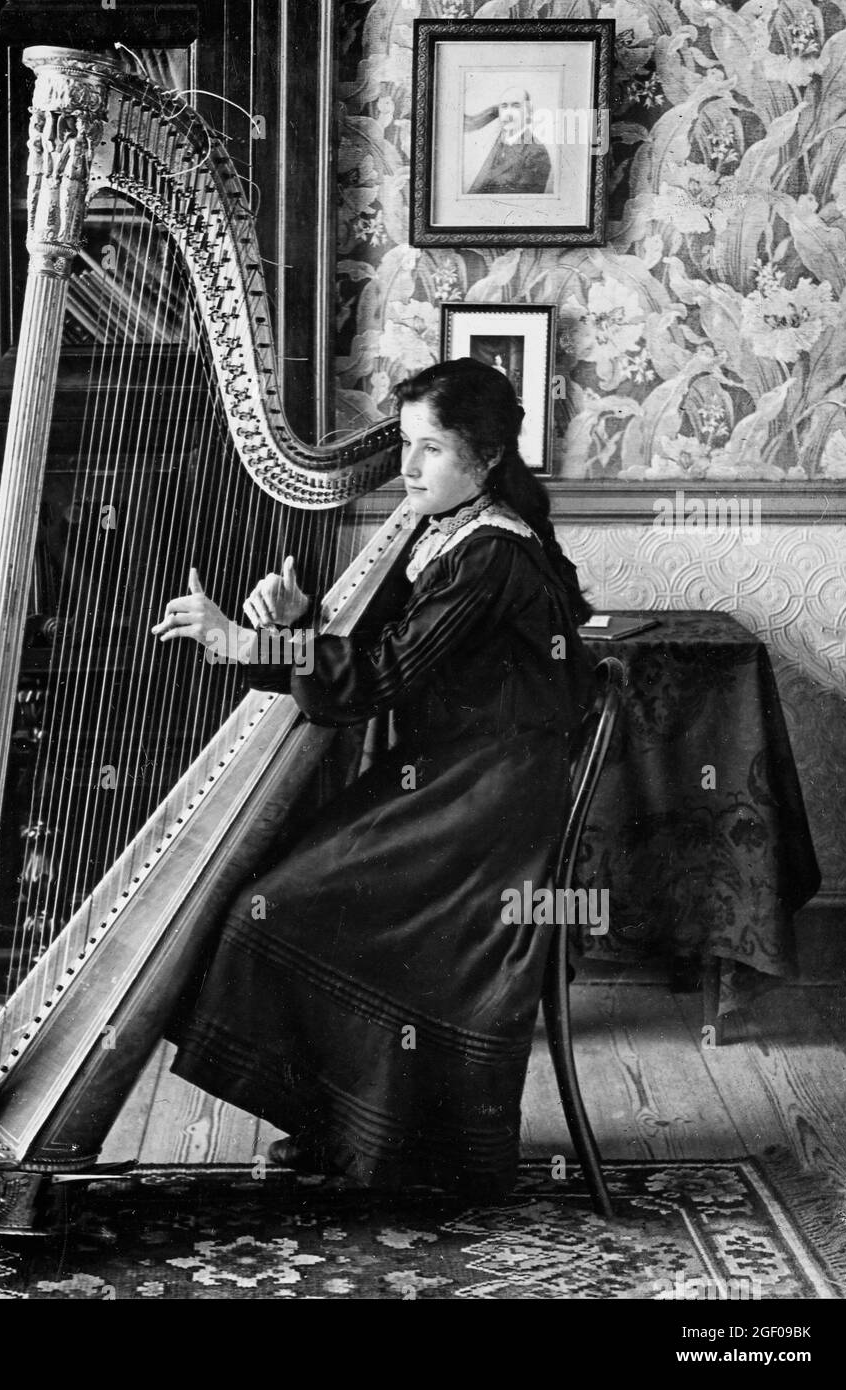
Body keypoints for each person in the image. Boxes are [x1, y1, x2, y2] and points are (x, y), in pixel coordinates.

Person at [150, 357, 594, 1199]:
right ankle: (350, 1128)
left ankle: (377, 1136)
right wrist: (301, 623)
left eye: (430, 450)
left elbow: (381, 679)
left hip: (485, 808)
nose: (407, 468)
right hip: (453, 783)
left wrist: (242, 643)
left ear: (488, 457)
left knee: (261, 910)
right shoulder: (448, 532)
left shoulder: (491, 554)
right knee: (267, 896)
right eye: (406, 447)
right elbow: (385, 656)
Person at [465, 87, 552, 196]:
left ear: (528, 111)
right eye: (504, 106)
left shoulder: (537, 153)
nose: (508, 113)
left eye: (516, 106)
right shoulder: (499, 141)